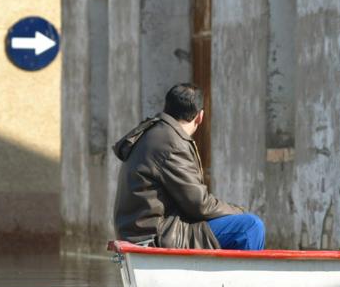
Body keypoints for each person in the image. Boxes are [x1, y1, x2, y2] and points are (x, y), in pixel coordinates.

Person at [112, 83, 265, 250]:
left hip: (142, 231)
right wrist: (240, 211)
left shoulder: (154, 133)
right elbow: (200, 205)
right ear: (200, 116)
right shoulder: (172, 143)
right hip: (158, 234)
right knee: (251, 226)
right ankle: (238, 277)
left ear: (167, 107)